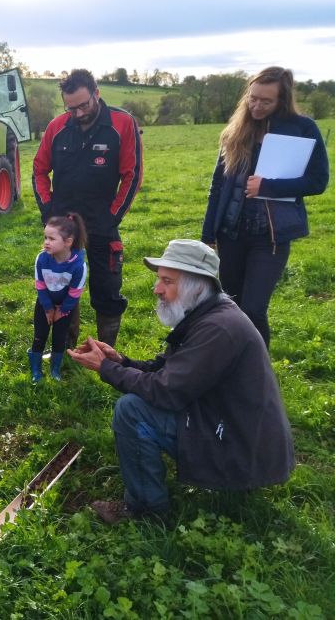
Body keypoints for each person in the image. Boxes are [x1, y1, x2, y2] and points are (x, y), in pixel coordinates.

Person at [68, 239, 295, 525]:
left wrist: (105, 369)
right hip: (235, 433)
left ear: (197, 285)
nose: (157, 289)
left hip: (241, 451)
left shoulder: (218, 328)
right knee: (136, 404)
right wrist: (120, 362)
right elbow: (168, 372)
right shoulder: (208, 314)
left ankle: (145, 510)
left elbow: (165, 391)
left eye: (167, 281)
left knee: (132, 411)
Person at [201, 67, 329, 348]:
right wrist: (208, 235)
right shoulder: (236, 130)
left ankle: (258, 373)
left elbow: (319, 181)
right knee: (231, 307)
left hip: (269, 236)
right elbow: (218, 187)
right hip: (230, 233)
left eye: (266, 101)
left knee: (254, 309)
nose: (256, 106)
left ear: (282, 101)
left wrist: (269, 187)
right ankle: (231, 367)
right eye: (252, 98)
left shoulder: (302, 128)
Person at [32, 69, 142, 348]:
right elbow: (39, 171)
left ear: (97, 93)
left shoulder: (122, 123)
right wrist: (49, 213)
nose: (78, 113)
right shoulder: (57, 128)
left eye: (83, 105)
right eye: (71, 108)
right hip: (64, 227)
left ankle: (105, 353)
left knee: (107, 290)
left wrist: (112, 216)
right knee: (60, 286)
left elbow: (132, 175)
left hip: (101, 223)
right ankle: (65, 348)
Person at [28, 213, 88, 382]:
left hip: (65, 308)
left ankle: (55, 370)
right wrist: (47, 308)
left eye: (52, 239)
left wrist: (62, 311)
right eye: (45, 237)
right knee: (39, 336)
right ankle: (36, 370)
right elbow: (40, 285)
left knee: (59, 338)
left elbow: (75, 292)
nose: (46, 242)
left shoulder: (78, 265)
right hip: (44, 304)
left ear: (68, 242)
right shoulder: (41, 259)